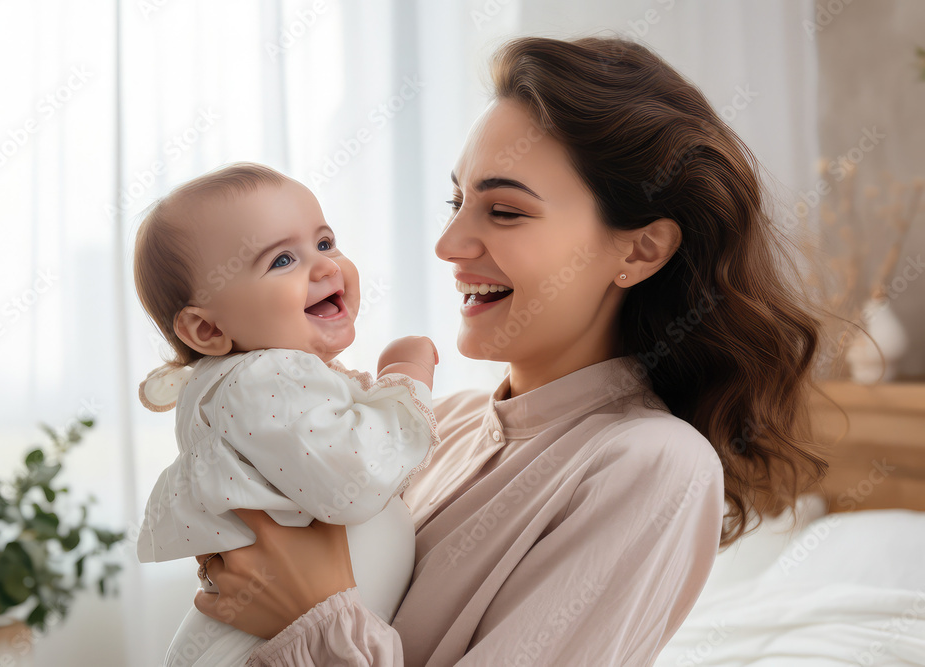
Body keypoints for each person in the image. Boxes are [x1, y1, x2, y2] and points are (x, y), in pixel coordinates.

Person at [193, 36, 829, 666]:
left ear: (639, 250)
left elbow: (306, 598)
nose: (448, 243)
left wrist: (314, 615)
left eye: (503, 211)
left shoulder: (654, 463)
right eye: (457, 202)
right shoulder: (442, 422)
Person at [132, 163, 442, 666]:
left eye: (324, 243)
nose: (324, 268)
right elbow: (362, 473)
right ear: (207, 331)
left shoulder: (250, 385)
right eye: (281, 260)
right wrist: (405, 378)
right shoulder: (264, 379)